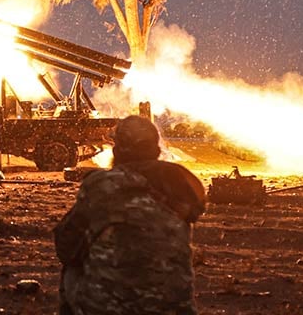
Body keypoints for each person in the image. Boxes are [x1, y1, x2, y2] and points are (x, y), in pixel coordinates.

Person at [54, 116, 207, 315]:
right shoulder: (181, 183)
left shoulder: (102, 185)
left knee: (71, 270)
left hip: (111, 308)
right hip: (173, 308)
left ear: (117, 150)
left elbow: (66, 247)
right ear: (157, 150)